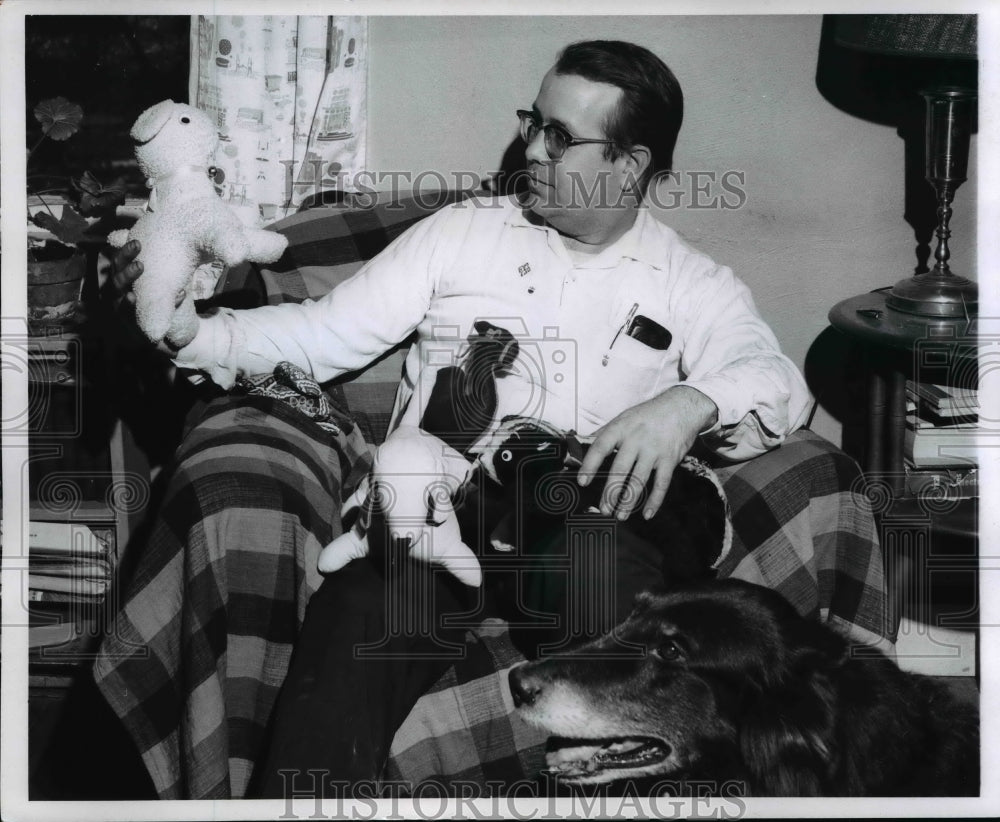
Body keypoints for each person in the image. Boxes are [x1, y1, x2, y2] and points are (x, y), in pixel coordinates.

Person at [104, 40, 812, 794]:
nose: (531, 149)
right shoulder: (464, 232)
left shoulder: (692, 282)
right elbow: (317, 336)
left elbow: (777, 385)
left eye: (560, 137)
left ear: (630, 165)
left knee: (609, 620)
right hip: (430, 515)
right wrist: (194, 332)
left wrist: (688, 402)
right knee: (354, 640)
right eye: (533, 122)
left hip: (579, 532)